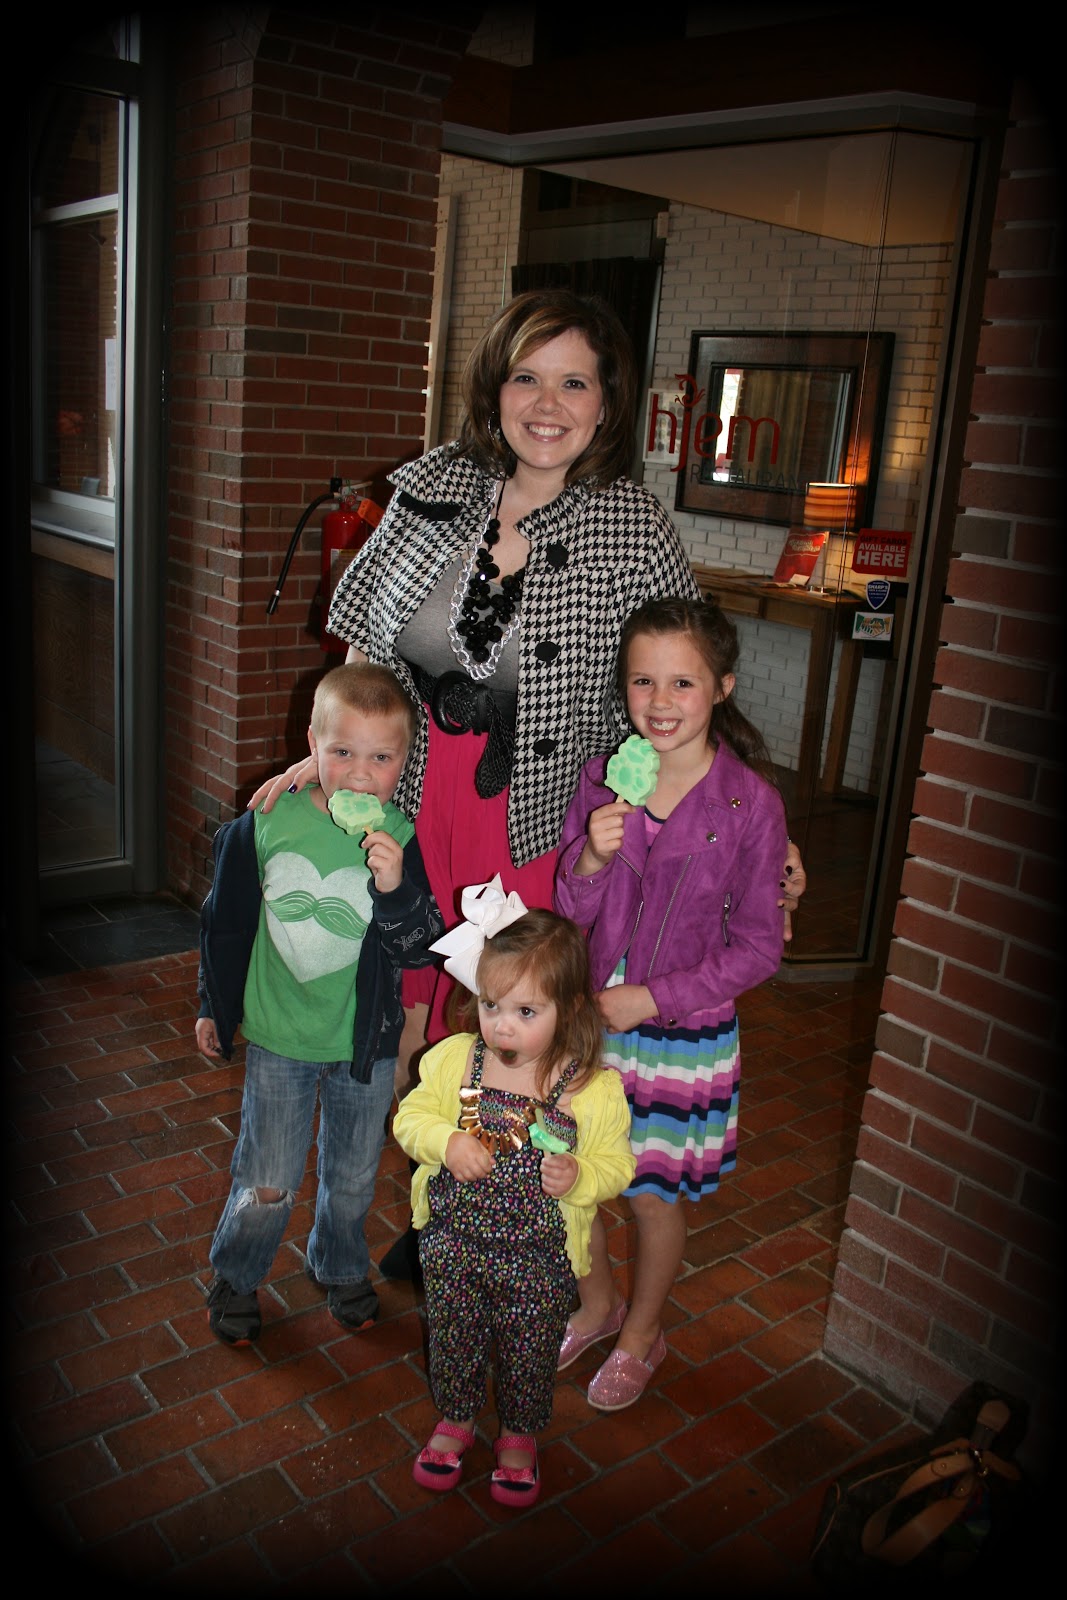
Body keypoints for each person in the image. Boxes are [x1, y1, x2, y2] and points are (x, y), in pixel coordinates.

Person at [248, 288, 806, 1276]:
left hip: (538, 811)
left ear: (606, 403)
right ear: (493, 388)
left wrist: (752, 819)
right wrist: (330, 755)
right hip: (413, 788)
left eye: (574, 383)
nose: (547, 405)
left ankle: (479, 1213)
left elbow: (680, 679)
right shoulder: (433, 485)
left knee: (506, 1016)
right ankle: (435, 1187)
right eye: (526, 378)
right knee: (407, 1001)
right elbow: (366, 644)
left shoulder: (630, 525)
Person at [553, 596, 788, 1410]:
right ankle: (596, 1305)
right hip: (592, 1016)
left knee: (651, 1195)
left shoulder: (749, 805)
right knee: (571, 1175)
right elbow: (570, 908)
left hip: (679, 1031)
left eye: (682, 682)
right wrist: (588, 857)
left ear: (721, 688)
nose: (658, 701)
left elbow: (758, 946)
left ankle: (642, 1333)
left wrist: (651, 996)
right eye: (641, 680)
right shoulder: (602, 780)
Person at [195, 663, 443, 1345]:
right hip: (280, 1038)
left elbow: (420, 949)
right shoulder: (267, 823)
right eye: (342, 752)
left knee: (354, 1177)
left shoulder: (400, 836)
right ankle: (237, 1274)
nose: (360, 775)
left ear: (403, 763)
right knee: (267, 1177)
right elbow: (224, 923)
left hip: (363, 1045)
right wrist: (214, 1004)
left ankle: (338, 1265)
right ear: (312, 745)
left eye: (380, 758)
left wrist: (394, 888)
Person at [392, 890, 635, 1506]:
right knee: (454, 1335)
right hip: (454, 1246)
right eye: (491, 1004)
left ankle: (519, 1434)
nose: (502, 1024)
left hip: (537, 1260)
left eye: (526, 1011)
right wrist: (446, 1141)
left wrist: (580, 1175)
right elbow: (410, 1119)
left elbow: (617, 1165)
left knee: (530, 1349)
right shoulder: (456, 1060)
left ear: (569, 1008)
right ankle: (456, 1418)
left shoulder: (589, 1089)